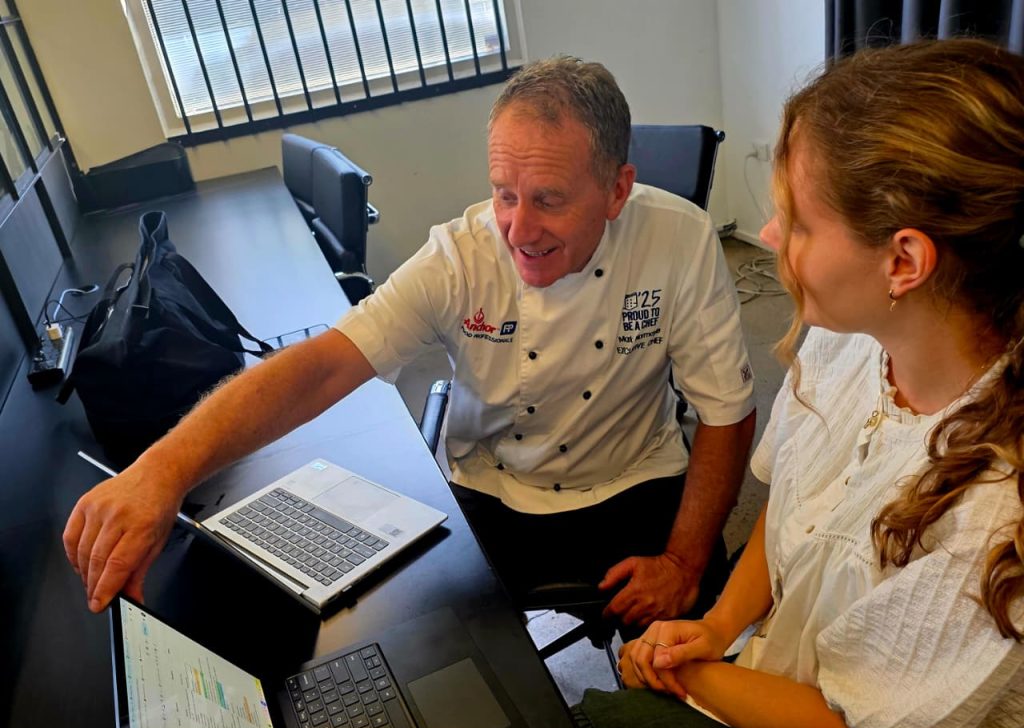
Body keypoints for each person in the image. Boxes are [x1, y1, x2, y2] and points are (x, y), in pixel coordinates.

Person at [572, 38, 1024, 728]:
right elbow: (790, 503)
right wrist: (715, 625)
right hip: (779, 675)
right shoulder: (851, 341)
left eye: (800, 222)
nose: (771, 237)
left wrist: (693, 671)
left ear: (904, 261)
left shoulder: (994, 511)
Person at [64, 57, 755, 625]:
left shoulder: (680, 239)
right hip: (496, 484)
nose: (518, 230)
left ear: (617, 190)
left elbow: (726, 409)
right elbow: (320, 366)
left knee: (697, 657)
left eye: (549, 199)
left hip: (636, 478)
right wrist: (162, 470)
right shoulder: (458, 258)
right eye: (504, 194)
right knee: (420, 645)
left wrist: (683, 561)